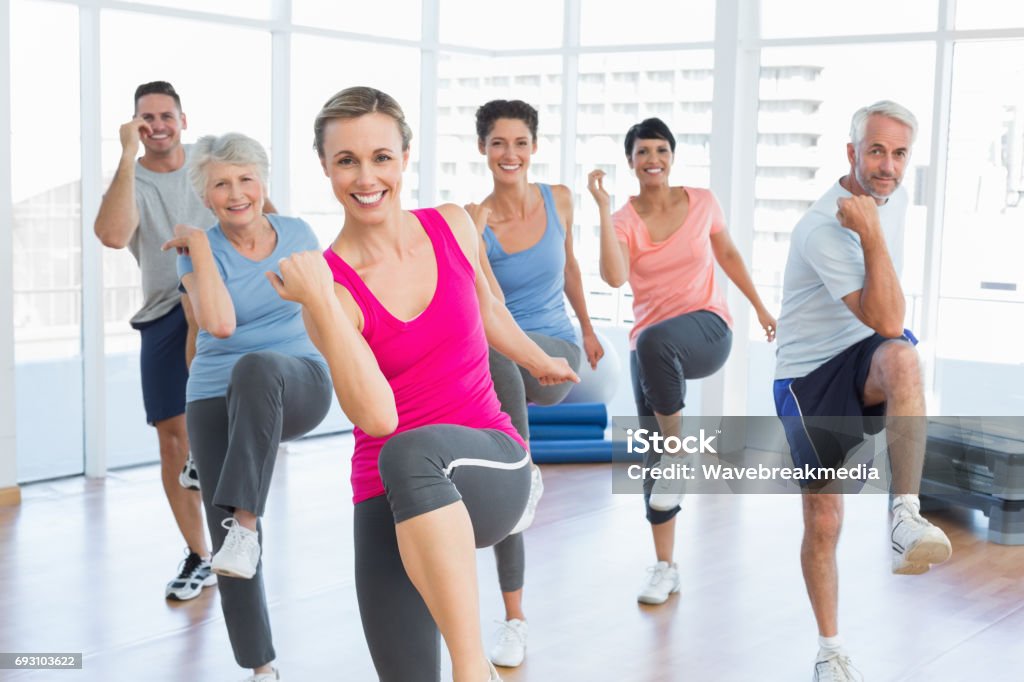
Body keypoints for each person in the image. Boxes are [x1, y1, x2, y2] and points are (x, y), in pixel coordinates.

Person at [268, 86, 577, 682]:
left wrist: (539, 358)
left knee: (412, 453)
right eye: (346, 161)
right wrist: (322, 305)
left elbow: (488, 309)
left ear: (405, 156)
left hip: (488, 463)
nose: (366, 177)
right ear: (326, 168)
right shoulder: (327, 290)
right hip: (386, 488)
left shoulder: (453, 225)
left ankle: (472, 670)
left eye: (381, 156)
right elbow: (377, 418)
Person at [772, 101, 952, 682]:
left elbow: (890, 333)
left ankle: (904, 518)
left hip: (862, 356)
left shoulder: (883, 204)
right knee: (824, 519)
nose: (888, 165)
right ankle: (830, 651)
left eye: (899, 154)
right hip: (808, 377)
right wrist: (871, 235)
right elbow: (889, 317)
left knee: (904, 361)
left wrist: (876, 229)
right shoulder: (825, 225)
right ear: (850, 152)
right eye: (876, 150)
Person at [163, 132, 332, 682]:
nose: (236, 193)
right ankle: (262, 668)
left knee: (256, 365)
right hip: (215, 393)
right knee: (230, 547)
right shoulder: (195, 253)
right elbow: (219, 323)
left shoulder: (300, 233)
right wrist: (204, 247)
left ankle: (246, 520)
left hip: (298, 380)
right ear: (206, 197)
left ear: (263, 182)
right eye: (220, 184)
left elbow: (327, 305)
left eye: (245, 179)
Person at [587, 117, 776, 606]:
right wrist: (604, 212)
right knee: (652, 462)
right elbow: (612, 276)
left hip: (708, 329)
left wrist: (758, 306)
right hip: (650, 348)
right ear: (630, 161)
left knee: (654, 346)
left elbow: (729, 253)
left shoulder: (702, 202)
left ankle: (679, 452)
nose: (653, 159)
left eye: (661, 150)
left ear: (672, 157)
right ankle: (665, 567)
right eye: (643, 152)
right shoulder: (624, 219)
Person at [466, 99, 604, 668]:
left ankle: (519, 468)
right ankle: (514, 618)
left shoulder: (560, 199)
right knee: (506, 487)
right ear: (482, 149)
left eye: (520, 142)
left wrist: (591, 329)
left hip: (557, 353)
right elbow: (482, 303)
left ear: (534, 147)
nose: (510, 154)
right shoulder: (476, 220)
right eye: (498, 143)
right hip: (505, 355)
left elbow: (570, 266)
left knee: (502, 373)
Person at [93, 80, 215, 601]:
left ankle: (240, 540)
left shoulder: (211, 163)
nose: (158, 125)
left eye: (167, 115)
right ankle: (200, 555)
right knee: (171, 440)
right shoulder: (132, 177)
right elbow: (113, 235)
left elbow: (268, 215)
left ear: (183, 121)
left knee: (225, 431)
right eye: (147, 118)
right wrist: (126, 154)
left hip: (223, 307)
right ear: (136, 126)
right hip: (166, 313)